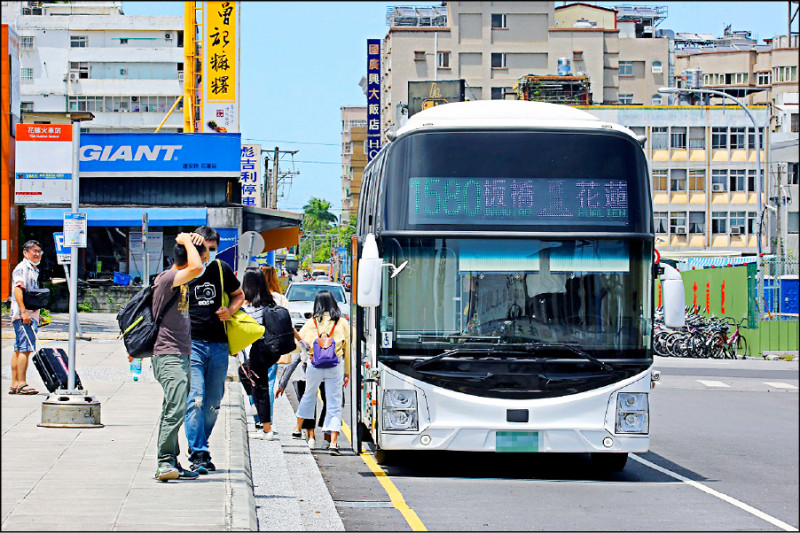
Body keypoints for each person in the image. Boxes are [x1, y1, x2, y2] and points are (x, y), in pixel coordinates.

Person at [185, 226, 245, 474]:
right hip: (191, 344)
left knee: (212, 403)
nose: (206, 254)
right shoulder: (183, 269)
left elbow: (239, 295)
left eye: (211, 250)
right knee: (196, 398)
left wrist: (229, 311)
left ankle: (202, 444)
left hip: (219, 345)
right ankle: (199, 451)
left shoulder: (221, 269)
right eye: (202, 249)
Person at [151, 232, 205, 482]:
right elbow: (196, 266)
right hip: (168, 354)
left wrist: (192, 239)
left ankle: (173, 459)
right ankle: (164, 463)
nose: (205, 260)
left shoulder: (180, 280)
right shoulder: (169, 278)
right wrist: (184, 239)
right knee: (175, 408)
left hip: (181, 353)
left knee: (174, 407)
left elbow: (196, 266)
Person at [291, 290, 350, 455]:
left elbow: (299, 344)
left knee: (309, 395)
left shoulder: (312, 322)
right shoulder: (342, 322)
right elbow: (348, 349)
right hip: (335, 366)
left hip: (314, 365)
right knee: (334, 403)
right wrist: (347, 372)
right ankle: (333, 443)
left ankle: (297, 427)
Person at [8, 240, 44, 395]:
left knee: (18, 348)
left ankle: (15, 384)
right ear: (25, 252)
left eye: (39, 251)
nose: (37, 254)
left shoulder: (33, 269)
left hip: (30, 313)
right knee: (25, 349)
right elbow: (18, 290)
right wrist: (23, 312)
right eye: (34, 251)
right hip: (24, 314)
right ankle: (22, 383)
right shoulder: (22, 268)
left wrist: (38, 315)